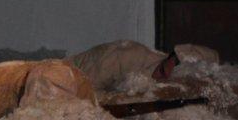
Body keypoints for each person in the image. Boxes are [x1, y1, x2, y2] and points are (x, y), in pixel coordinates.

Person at [64, 39, 219, 92]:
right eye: (162, 71)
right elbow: (80, 90)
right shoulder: (127, 56)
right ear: (167, 58)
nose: (160, 80)